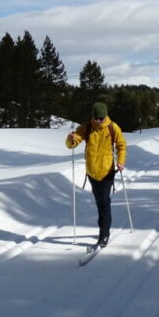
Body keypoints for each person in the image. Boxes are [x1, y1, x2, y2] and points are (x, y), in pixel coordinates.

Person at [66, 101, 127, 247]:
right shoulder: (86, 127)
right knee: (100, 202)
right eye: (96, 118)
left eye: (101, 118)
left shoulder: (113, 128)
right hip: (92, 172)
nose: (98, 121)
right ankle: (103, 228)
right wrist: (70, 140)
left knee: (104, 202)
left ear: (105, 116)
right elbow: (73, 144)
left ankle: (104, 234)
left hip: (107, 171)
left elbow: (121, 146)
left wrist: (121, 161)